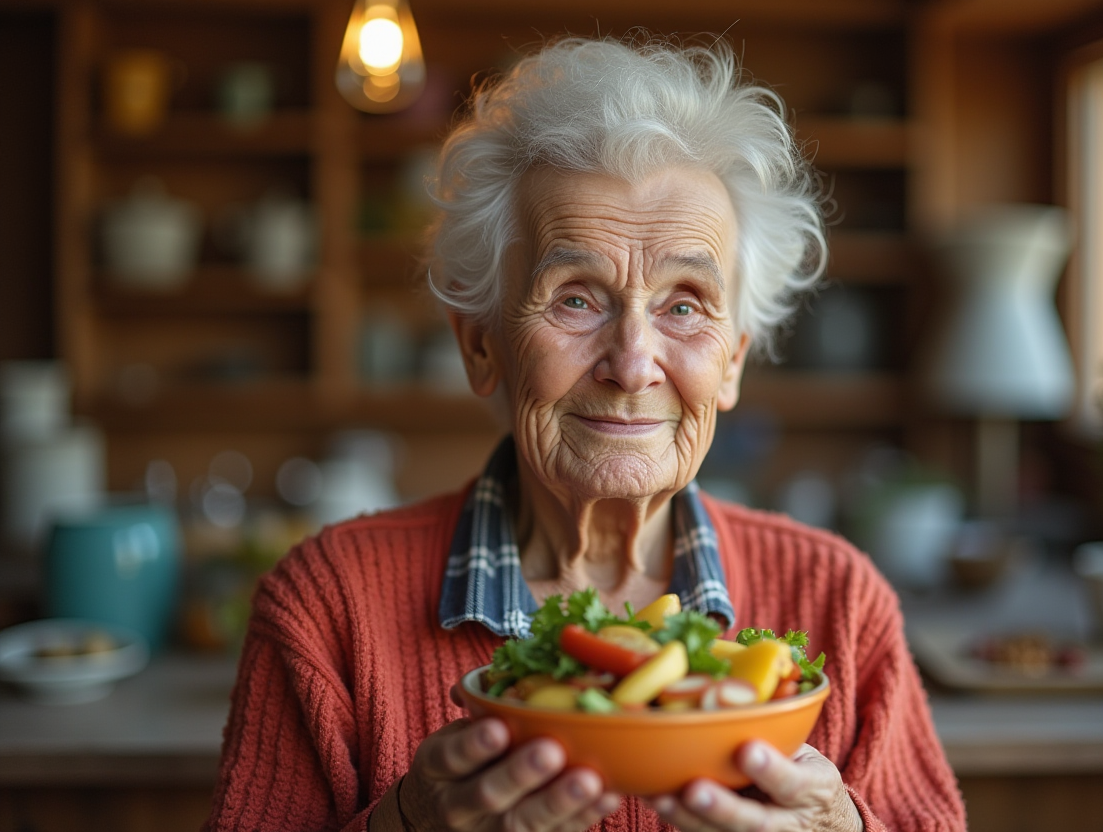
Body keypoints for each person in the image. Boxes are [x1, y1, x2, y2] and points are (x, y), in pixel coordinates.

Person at [206, 36, 966, 832]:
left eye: (684, 305)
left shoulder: (840, 605)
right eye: (575, 298)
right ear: (481, 345)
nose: (633, 363)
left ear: (733, 363)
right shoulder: (326, 606)